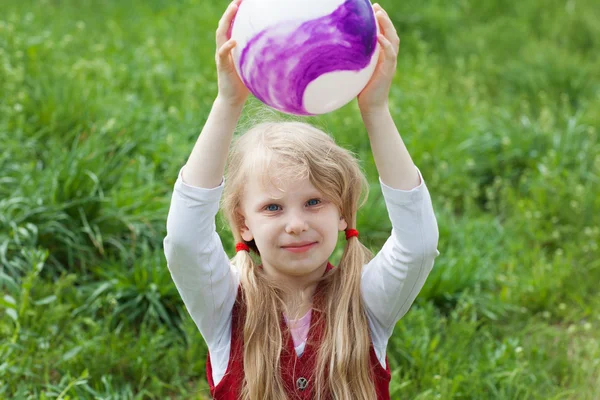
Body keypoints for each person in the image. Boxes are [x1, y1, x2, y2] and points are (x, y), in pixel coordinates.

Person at [163, 1, 440, 399]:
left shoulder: (366, 300)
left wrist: (375, 109)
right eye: (272, 207)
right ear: (244, 224)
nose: (296, 223)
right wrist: (227, 104)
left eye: (314, 202)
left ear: (344, 213)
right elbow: (185, 240)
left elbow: (418, 245)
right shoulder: (224, 302)